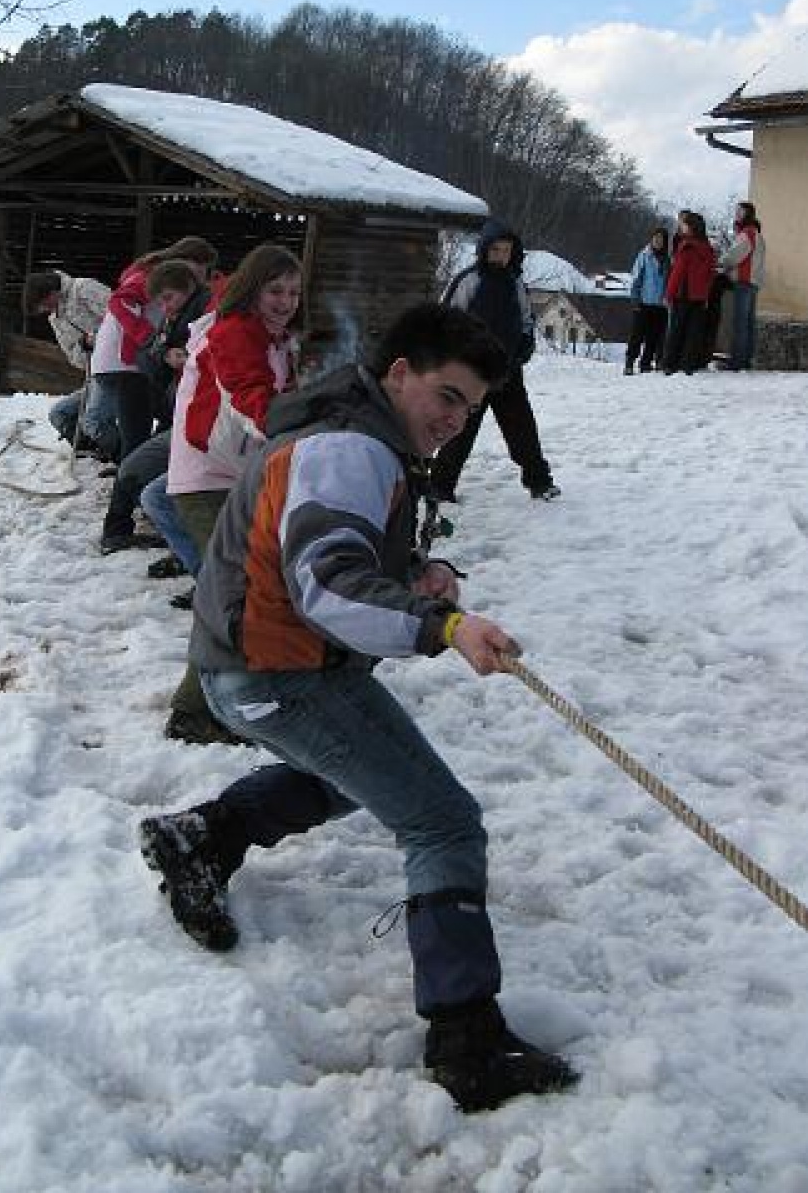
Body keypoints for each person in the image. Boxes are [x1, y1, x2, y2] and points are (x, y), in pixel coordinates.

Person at [138, 303, 578, 1114]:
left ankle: (202, 836)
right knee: (442, 823)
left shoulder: (355, 435)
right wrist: (441, 625)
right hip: (272, 672)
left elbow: (325, 553)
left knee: (359, 781)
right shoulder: (349, 450)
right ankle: (466, 1041)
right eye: (445, 396)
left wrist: (415, 569)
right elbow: (327, 581)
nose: (452, 421)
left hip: (272, 663)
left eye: (468, 409)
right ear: (398, 373)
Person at [163, 243, 302, 744]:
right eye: (274, 290)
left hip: (235, 474)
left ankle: (224, 699)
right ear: (252, 288)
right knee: (235, 592)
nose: (284, 300)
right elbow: (252, 398)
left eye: (292, 291)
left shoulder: (275, 338)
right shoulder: (236, 333)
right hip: (206, 480)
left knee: (241, 589)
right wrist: (308, 425)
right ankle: (195, 712)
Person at [427, 219, 559, 503]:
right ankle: (439, 485)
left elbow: (526, 320)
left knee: (522, 428)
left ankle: (539, 482)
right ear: (485, 250)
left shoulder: (515, 283)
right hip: (472, 372)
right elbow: (445, 320)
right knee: (460, 429)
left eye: (507, 250)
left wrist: (526, 343)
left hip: (508, 371)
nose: (501, 256)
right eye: (496, 250)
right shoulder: (468, 280)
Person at [90, 244, 214, 462]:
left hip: (128, 363)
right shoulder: (153, 277)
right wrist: (151, 339)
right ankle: (131, 472)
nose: (201, 274)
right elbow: (120, 301)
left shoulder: (181, 289)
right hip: (125, 364)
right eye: (199, 266)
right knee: (132, 428)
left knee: (150, 422)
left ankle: (132, 470)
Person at [25, 270, 117, 456]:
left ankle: (124, 459)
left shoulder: (83, 289)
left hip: (118, 367)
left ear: (51, 293)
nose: (45, 311)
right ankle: (94, 451)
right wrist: (84, 347)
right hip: (96, 374)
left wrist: (99, 339)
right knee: (59, 415)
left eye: (43, 305)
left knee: (93, 420)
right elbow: (72, 355)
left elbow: (122, 317)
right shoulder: (55, 319)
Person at [662, 211, 717, 375]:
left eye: (684, 224)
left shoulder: (686, 246)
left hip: (683, 295)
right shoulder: (708, 248)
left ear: (691, 228)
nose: (681, 226)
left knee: (676, 330)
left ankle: (670, 364)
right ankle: (688, 364)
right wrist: (705, 294)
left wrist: (668, 295)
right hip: (699, 297)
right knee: (693, 333)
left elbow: (677, 273)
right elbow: (711, 274)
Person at [719, 201, 766, 371]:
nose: (736, 213)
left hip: (744, 282)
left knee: (740, 323)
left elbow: (734, 256)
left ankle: (737, 362)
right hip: (753, 283)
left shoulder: (748, 233)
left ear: (747, 214)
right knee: (748, 323)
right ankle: (746, 360)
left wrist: (721, 262)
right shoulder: (757, 234)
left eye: (740, 211)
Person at [623, 228, 670, 374]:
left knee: (653, 336)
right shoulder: (644, 256)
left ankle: (646, 363)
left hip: (661, 304)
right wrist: (635, 299)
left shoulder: (668, 259)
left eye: (661, 239)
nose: (658, 241)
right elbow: (636, 278)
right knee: (637, 335)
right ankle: (630, 362)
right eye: (655, 238)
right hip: (643, 302)